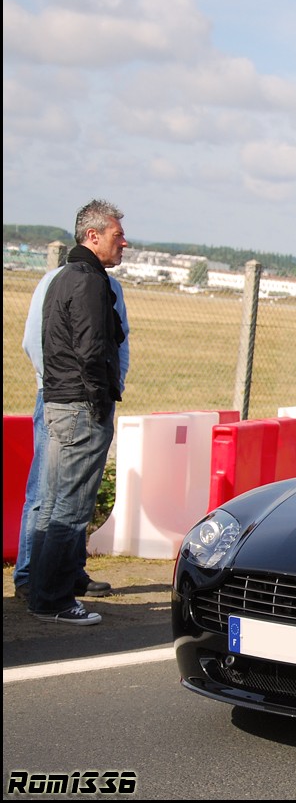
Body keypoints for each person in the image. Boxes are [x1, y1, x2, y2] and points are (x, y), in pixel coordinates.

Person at [26, 199, 129, 626]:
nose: (124, 242)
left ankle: (42, 589)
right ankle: (53, 599)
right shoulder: (88, 281)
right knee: (71, 506)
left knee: (52, 503)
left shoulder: (62, 277)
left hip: (59, 401)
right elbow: (92, 349)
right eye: (117, 235)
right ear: (93, 236)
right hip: (79, 407)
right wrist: (99, 399)